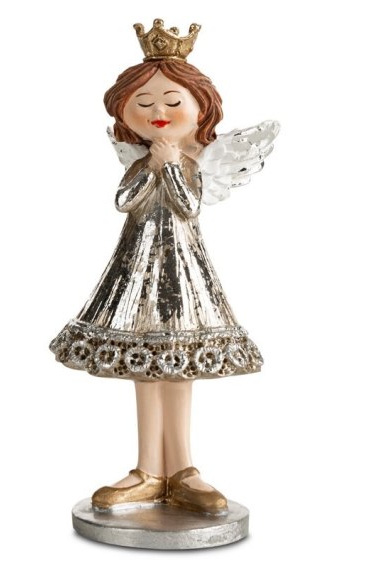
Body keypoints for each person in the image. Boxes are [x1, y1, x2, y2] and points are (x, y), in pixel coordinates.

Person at [50, 20, 269, 515]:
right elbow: (124, 201)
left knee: (179, 367)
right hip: (135, 273)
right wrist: (151, 165)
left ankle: (184, 469)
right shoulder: (139, 163)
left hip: (183, 274)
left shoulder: (189, 162)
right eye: (144, 103)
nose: (158, 113)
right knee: (145, 370)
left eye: (172, 101)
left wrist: (170, 163)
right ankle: (148, 470)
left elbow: (189, 205)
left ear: (200, 108)